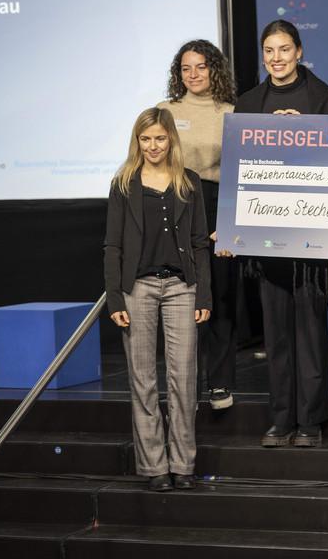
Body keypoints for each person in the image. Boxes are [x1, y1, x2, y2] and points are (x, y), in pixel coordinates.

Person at [233, 19, 328, 448]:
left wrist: (306, 133)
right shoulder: (248, 104)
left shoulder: (323, 98)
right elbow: (240, 170)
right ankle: (281, 419)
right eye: (269, 51)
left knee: (311, 336)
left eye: (284, 49)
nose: (276, 59)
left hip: (312, 236)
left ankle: (311, 421)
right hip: (267, 236)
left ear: (299, 51)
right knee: (276, 337)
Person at [104, 107, 212, 492]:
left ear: (171, 140)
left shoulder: (189, 182)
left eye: (160, 139)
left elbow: (200, 244)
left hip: (182, 288)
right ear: (138, 141)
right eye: (145, 139)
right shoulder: (124, 183)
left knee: (183, 378)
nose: (153, 146)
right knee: (143, 379)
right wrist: (114, 298)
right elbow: (113, 245)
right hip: (138, 290)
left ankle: (183, 464)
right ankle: (154, 467)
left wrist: (204, 292)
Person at [158, 39, 237, 411]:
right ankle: (182, 382)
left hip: (217, 205)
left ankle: (220, 382)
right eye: (185, 68)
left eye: (201, 67)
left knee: (217, 294)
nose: (193, 74)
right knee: (177, 295)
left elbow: (238, 171)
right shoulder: (164, 111)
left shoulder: (232, 113)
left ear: (214, 69)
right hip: (173, 204)